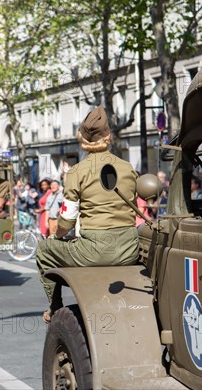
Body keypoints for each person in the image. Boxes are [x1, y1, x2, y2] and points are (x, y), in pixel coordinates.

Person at [36, 105, 139, 323]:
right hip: (130, 248)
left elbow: (67, 221)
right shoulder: (127, 167)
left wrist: (58, 237)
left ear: (82, 139)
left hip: (95, 251)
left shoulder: (77, 172)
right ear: (109, 136)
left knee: (44, 249)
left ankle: (55, 309)